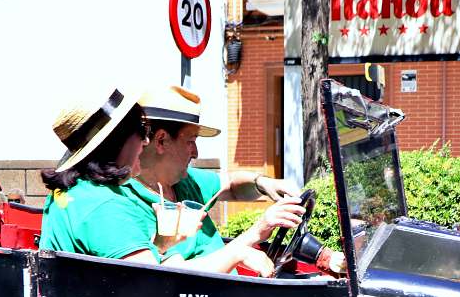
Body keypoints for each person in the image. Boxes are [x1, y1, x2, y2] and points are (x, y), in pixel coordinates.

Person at [39, 85, 274, 276]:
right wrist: (238, 252)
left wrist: (164, 244)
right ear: (118, 141)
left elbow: (131, 263)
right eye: (141, 132)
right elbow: (157, 284)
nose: (145, 142)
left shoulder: (78, 191)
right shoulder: (104, 206)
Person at [128, 84, 344, 274]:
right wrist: (257, 231)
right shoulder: (125, 204)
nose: (196, 153)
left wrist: (263, 183)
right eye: (191, 141)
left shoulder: (185, 180)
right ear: (162, 141)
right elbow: (165, 281)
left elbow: (231, 185)